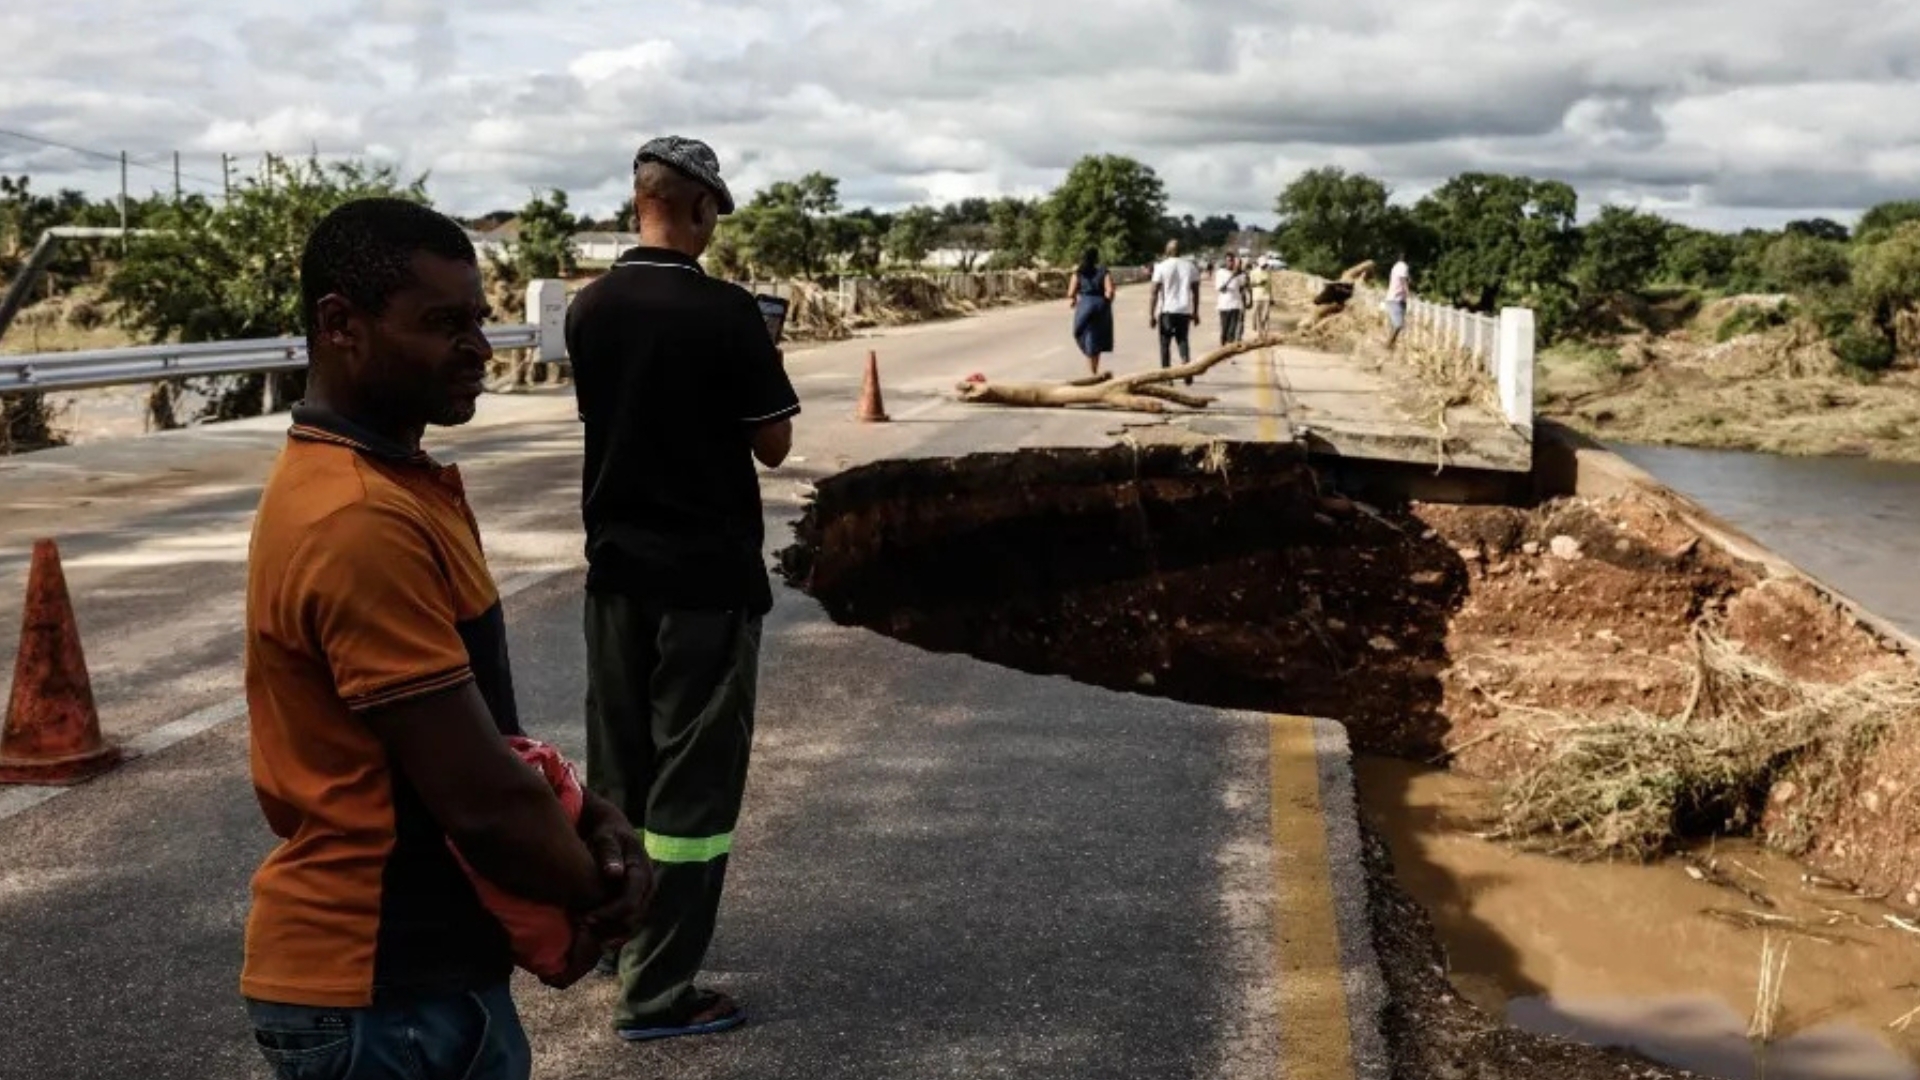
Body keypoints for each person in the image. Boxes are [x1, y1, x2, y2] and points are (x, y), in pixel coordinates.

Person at [241, 198, 652, 1080]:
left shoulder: (394, 485)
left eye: (478, 319)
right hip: (384, 992)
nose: (478, 348)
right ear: (340, 325)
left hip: (419, 986)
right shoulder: (357, 517)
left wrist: (590, 816)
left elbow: (491, 742)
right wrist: (606, 891)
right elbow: (480, 800)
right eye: (442, 324)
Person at [564, 135, 801, 1043]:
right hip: (706, 579)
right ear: (700, 208)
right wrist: (757, 355)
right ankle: (659, 995)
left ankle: (618, 940)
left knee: (619, 776)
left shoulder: (589, 309)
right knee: (692, 794)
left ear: (639, 202)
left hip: (616, 574)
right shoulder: (728, 313)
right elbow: (772, 443)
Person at [1149, 239, 1201, 383]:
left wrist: (1151, 315)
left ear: (1168, 250)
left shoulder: (1161, 266)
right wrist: (1195, 312)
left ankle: (1167, 377)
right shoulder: (1190, 266)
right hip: (1184, 310)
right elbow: (1196, 292)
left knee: (1165, 344)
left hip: (1167, 311)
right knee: (1182, 340)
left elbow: (1154, 291)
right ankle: (1186, 366)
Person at [1066, 246, 1115, 375]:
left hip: (1085, 305)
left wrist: (1074, 299)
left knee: (1086, 337)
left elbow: (1070, 292)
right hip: (1100, 305)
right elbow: (1110, 291)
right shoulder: (1103, 271)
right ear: (1096, 258)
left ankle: (1092, 372)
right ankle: (1094, 370)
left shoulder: (1078, 272)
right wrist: (1106, 302)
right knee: (1097, 339)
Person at [1215, 254, 1249, 345]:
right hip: (1224, 305)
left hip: (1235, 305)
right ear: (1225, 261)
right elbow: (1221, 289)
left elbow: (1242, 288)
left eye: (1232, 261)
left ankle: (1230, 349)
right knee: (1224, 329)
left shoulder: (1240, 275)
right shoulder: (1220, 272)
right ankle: (1223, 347)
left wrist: (1242, 274)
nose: (1231, 263)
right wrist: (1231, 277)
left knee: (1232, 330)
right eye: (1229, 260)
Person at [1385, 253, 1412, 349]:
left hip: (1394, 298)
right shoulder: (1403, 266)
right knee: (1398, 325)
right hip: (1396, 299)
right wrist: (1408, 294)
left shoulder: (1396, 266)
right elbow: (1403, 281)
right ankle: (1388, 345)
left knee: (1395, 325)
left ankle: (1390, 346)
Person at [1247, 258, 1274, 338]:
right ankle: (1259, 331)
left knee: (1266, 314)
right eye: (1263, 265)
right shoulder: (1253, 272)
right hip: (1257, 296)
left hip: (1266, 295)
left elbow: (1270, 285)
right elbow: (1251, 285)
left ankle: (1264, 330)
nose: (1264, 266)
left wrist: (1272, 297)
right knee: (1257, 314)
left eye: (1265, 265)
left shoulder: (1268, 272)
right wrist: (1259, 283)